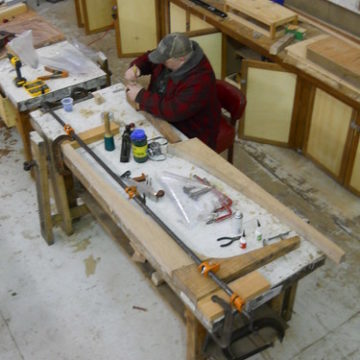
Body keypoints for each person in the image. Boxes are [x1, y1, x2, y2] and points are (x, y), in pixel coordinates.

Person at [125, 32, 221, 150]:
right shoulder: (171, 55)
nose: (161, 62)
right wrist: (137, 67)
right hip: (160, 114)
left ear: (181, 58)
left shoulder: (200, 79)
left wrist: (141, 95)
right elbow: (151, 58)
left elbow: (173, 110)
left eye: (164, 60)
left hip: (190, 131)